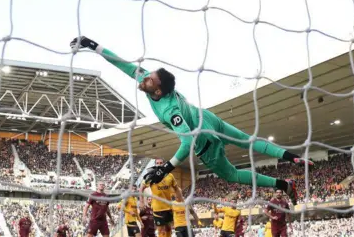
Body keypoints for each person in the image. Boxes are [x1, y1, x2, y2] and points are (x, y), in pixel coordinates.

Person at [70, 36, 311, 204]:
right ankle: (290, 162)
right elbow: (122, 64)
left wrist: (166, 169)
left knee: (232, 176)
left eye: (149, 80)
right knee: (247, 140)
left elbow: (187, 145)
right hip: (207, 117)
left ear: (157, 91)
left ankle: (283, 184)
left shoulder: (169, 110)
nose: (143, 79)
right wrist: (93, 45)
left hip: (204, 139)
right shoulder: (152, 85)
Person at [139, 158, 181, 237]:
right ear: (155, 164)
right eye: (157, 163)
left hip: (168, 207)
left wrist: (180, 200)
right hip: (157, 209)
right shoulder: (152, 176)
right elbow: (141, 188)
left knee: (169, 228)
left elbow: (176, 188)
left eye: (161, 163)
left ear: (164, 164)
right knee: (161, 231)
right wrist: (141, 202)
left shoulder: (170, 175)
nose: (159, 164)